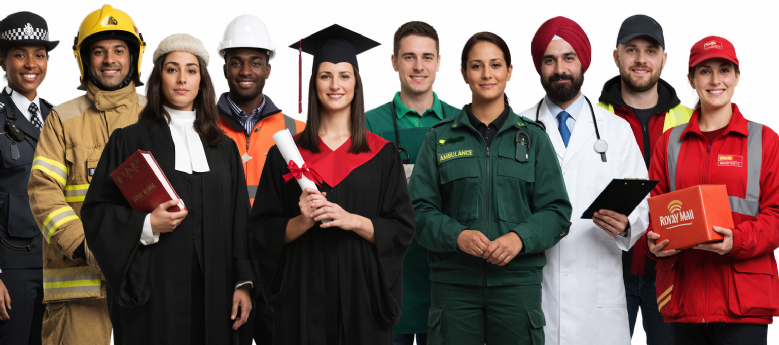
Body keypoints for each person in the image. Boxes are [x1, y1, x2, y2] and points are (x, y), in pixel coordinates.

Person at [81, 33, 254, 345]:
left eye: (191, 70)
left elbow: (240, 220)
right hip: (155, 289)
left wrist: (243, 282)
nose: (181, 79)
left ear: (202, 80)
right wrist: (146, 225)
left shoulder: (224, 148)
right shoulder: (129, 141)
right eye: (172, 69)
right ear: (158, 77)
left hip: (216, 289)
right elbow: (96, 212)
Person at [249, 24, 415, 344]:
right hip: (301, 297)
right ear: (313, 83)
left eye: (344, 75)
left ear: (356, 83)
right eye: (325, 75)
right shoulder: (286, 155)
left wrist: (352, 220)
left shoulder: (382, 155)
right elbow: (261, 232)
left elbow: (402, 229)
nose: (335, 84)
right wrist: (302, 221)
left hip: (364, 298)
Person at [411, 31, 572, 345]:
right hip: (453, 286)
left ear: (509, 72)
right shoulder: (439, 138)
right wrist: (456, 236)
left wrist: (518, 239)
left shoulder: (534, 139)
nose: (487, 74)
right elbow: (418, 210)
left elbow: (557, 212)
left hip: (516, 286)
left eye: (496, 65)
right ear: (464, 74)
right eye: (476, 66)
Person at [517, 16, 650, 345]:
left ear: (583, 63)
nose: (559, 68)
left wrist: (626, 223)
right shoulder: (517, 128)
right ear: (539, 66)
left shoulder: (616, 130)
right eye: (549, 59)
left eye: (568, 58)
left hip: (598, 300)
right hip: (536, 290)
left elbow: (643, 204)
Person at [646, 36, 779, 345]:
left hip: (742, 301)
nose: (715, 80)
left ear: (736, 76)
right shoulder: (669, 143)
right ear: (692, 80)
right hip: (684, 298)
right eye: (704, 71)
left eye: (724, 70)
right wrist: (653, 242)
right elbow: (651, 211)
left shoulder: (765, 140)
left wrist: (738, 240)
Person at [26, 5, 146, 344]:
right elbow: (43, 194)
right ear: (84, 59)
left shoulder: (156, 116)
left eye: (119, 50)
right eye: (99, 51)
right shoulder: (62, 120)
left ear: (133, 56)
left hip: (145, 284)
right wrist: (87, 245)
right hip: (77, 290)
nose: (110, 59)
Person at [596, 14, 691, 344]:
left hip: (671, 272)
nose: (640, 59)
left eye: (650, 51)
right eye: (631, 50)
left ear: (664, 59)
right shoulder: (593, 118)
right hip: (606, 268)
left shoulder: (690, 121)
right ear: (616, 56)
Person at [364, 21, 460, 345]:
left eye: (427, 57)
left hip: (447, 273)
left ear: (438, 62)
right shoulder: (367, 125)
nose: (419, 66)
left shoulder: (463, 123)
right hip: (390, 276)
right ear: (394, 62)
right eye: (409, 57)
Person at [216, 14, 305, 345]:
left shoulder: (297, 131)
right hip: (226, 268)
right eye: (236, 62)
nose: (245, 71)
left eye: (255, 62)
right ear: (224, 66)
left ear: (268, 68)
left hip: (280, 268)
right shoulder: (202, 130)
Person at [0, 11, 57, 345]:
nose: (31, 64)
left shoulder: (56, 117)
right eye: (20, 54)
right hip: (12, 269)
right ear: (2, 60)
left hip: (56, 267)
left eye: (39, 54)